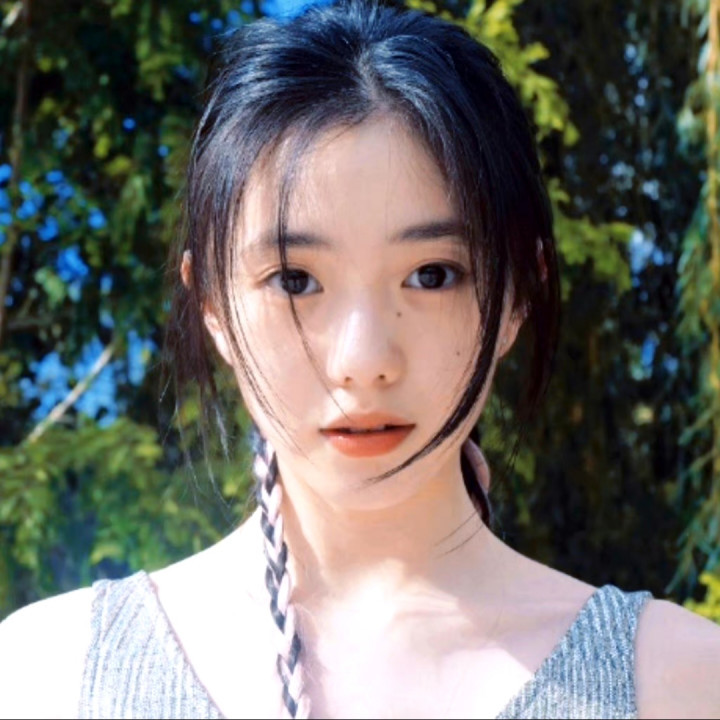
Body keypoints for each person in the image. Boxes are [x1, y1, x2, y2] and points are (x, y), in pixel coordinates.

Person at [1, 1, 720, 718]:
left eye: (432, 275)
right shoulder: (48, 675)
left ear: (516, 296)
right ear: (213, 305)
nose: (363, 362)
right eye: (294, 280)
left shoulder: (678, 682)